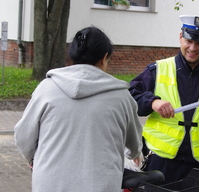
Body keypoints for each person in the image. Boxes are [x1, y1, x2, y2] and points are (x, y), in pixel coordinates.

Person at [14, 26, 143, 192]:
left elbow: (23, 137)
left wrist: (34, 160)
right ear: (104, 58)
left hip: (49, 184)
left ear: (72, 56)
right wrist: (134, 154)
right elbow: (133, 145)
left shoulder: (46, 88)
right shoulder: (121, 97)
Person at [129, 15, 199, 184]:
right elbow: (130, 97)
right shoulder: (158, 69)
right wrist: (153, 102)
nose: (192, 48)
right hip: (161, 158)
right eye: (189, 41)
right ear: (180, 37)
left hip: (198, 162)